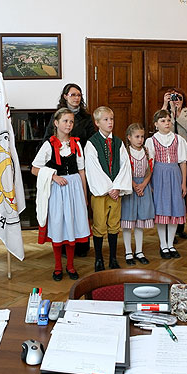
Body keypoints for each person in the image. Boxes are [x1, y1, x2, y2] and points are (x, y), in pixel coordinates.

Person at [31, 108, 89, 281]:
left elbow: (81, 171)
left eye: (71, 121)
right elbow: (35, 169)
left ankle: (70, 265)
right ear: (56, 123)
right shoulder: (49, 145)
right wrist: (53, 176)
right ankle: (58, 267)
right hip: (57, 191)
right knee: (58, 227)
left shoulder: (76, 144)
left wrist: (85, 196)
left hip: (75, 190)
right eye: (65, 121)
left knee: (71, 226)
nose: (69, 125)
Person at [43, 83, 97, 258]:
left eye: (79, 95)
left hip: (79, 163)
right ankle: (64, 245)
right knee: (63, 211)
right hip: (60, 167)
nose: (76, 98)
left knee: (79, 207)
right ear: (65, 96)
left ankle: (81, 245)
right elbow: (47, 139)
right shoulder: (56, 116)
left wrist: (77, 151)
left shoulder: (86, 118)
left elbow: (91, 141)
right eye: (73, 94)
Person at [84, 106, 132, 272]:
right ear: (97, 123)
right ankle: (99, 259)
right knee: (99, 225)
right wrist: (108, 188)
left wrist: (117, 187)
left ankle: (113, 258)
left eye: (111, 119)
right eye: (105, 119)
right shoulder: (91, 143)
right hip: (100, 192)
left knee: (114, 224)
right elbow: (92, 168)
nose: (110, 122)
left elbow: (125, 165)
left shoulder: (118, 143)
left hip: (115, 193)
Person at [145, 110, 187, 259]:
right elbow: (149, 164)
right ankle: (163, 244)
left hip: (174, 175)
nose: (167, 123)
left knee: (174, 209)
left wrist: (183, 183)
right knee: (162, 210)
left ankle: (170, 244)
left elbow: (183, 163)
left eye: (169, 120)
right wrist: (149, 183)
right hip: (159, 176)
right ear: (156, 124)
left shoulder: (178, 139)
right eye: (163, 121)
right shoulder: (151, 141)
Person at [162, 88, 187, 241]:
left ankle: (179, 227)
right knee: (168, 192)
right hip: (168, 157)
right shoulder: (165, 113)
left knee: (182, 190)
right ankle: (169, 228)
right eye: (173, 97)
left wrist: (177, 113)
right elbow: (159, 121)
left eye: (179, 98)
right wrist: (166, 105)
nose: (176, 100)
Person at [120, 123, 155, 265]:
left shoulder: (147, 151)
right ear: (129, 138)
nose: (140, 139)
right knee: (128, 222)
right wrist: (134, 185)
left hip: (144, 188)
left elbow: (150, 170)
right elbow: (123, 171)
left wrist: (144, 184)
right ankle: (128, 251)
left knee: (140, 222)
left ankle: (139, 251)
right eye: (137, 137)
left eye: (142, 136)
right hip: (130, 188)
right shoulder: (125, 152)